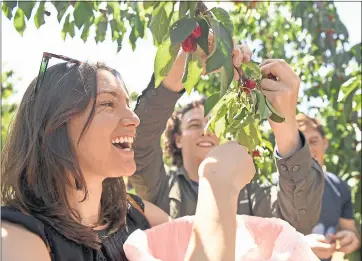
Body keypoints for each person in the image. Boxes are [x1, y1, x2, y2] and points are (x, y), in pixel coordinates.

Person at [1, 52, 257, 261]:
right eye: (107, 104)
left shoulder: (136, 213)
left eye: (127, 104)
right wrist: (218, 185)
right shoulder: (17, 239)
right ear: (55, 124)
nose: (133, 119)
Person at [130, 42, 325, 235]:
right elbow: (139, 145)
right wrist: (178, 71)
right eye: (194, 125)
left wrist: (286, 128)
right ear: (178, 139)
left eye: (212, 124)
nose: (206, 131)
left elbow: (299, 223)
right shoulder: (162, 187)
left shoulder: (247, 189)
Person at [296, 113, 360, 260]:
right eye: (301, 144)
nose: (308, 150)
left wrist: (350, 238)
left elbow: (350, 230)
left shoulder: (339, 186)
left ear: (325, 142)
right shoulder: (272, 187)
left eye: (313, 141)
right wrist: (300, 246)